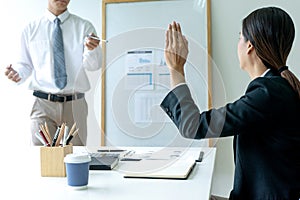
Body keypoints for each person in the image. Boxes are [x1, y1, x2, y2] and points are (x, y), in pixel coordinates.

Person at [161, 7, 300, 200]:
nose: (238, 44)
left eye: (239, 37)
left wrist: (176, 69)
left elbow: (193, 126)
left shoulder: (268, 94)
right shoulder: (277, 89)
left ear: (249, 46)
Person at [4, 0, 102, 146]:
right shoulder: (31, 29)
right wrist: (16, 74)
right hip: (43, 105)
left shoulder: (84, 27)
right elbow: (24, 65)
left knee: (75, 158)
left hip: (74, 105)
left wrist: (92, 49)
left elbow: (93, 66)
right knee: (42, 159)